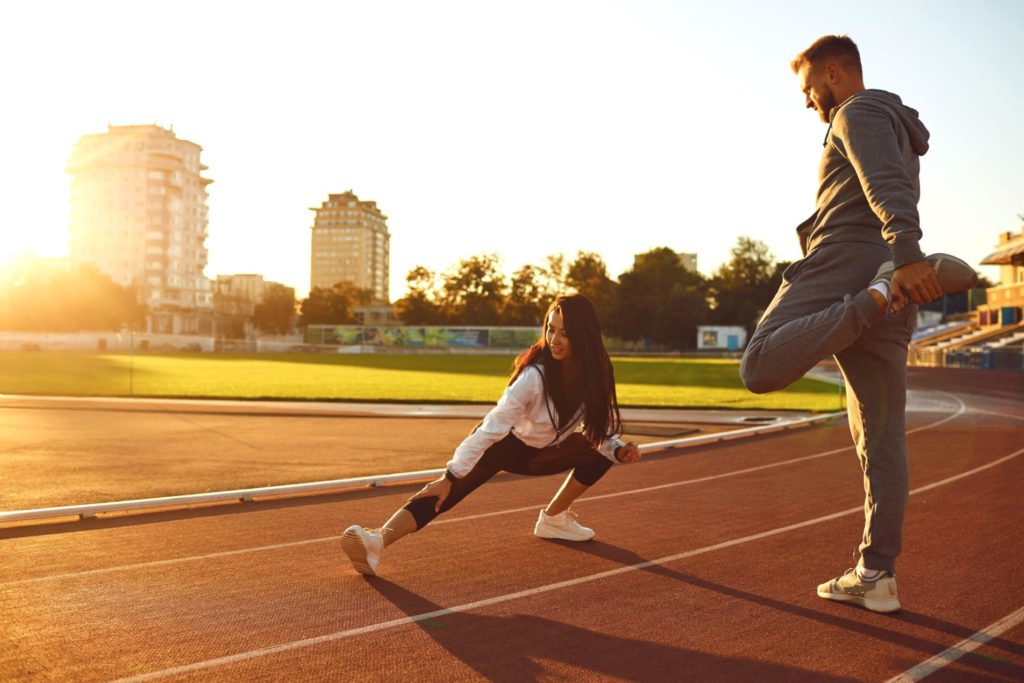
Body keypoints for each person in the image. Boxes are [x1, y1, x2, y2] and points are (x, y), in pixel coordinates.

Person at [739, 35, 978, 613]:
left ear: (837, 72)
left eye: (808, 89)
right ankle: (878, 574)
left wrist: (905, 255)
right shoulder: (893, 121)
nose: (807, 103)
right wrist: (902, 262)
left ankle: (877, 296)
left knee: (759, 364)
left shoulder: (858, 110)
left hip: (849, 260)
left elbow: (882, 183)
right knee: (881, 437)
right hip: (888, 271)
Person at [340, 293, 642, 576]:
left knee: (598, 454)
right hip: (504, 444)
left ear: (584, 335)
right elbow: (491, 427)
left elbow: (595, 429)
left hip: (546, 452)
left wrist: (617, 449)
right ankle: (376, 541)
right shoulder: (533, 377)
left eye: (565, 333)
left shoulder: (596, 370)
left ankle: (554, 519)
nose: (554, 339)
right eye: (551, 329)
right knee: (447, 492)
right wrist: (450, 475)